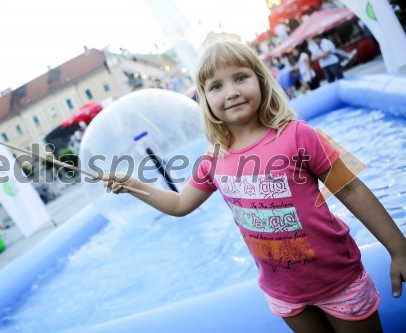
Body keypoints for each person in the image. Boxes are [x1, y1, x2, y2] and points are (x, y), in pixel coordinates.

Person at [103, 39, 406, 332]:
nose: (231, 92)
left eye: (240, 77)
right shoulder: (214, 158)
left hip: (338, 280)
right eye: (217, 86)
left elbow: (350, 188)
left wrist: (398, 249)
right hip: (283, 293)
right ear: (205, 99)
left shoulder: (297, 135)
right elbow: (180, 204)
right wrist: (132, 184)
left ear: (261, 80)